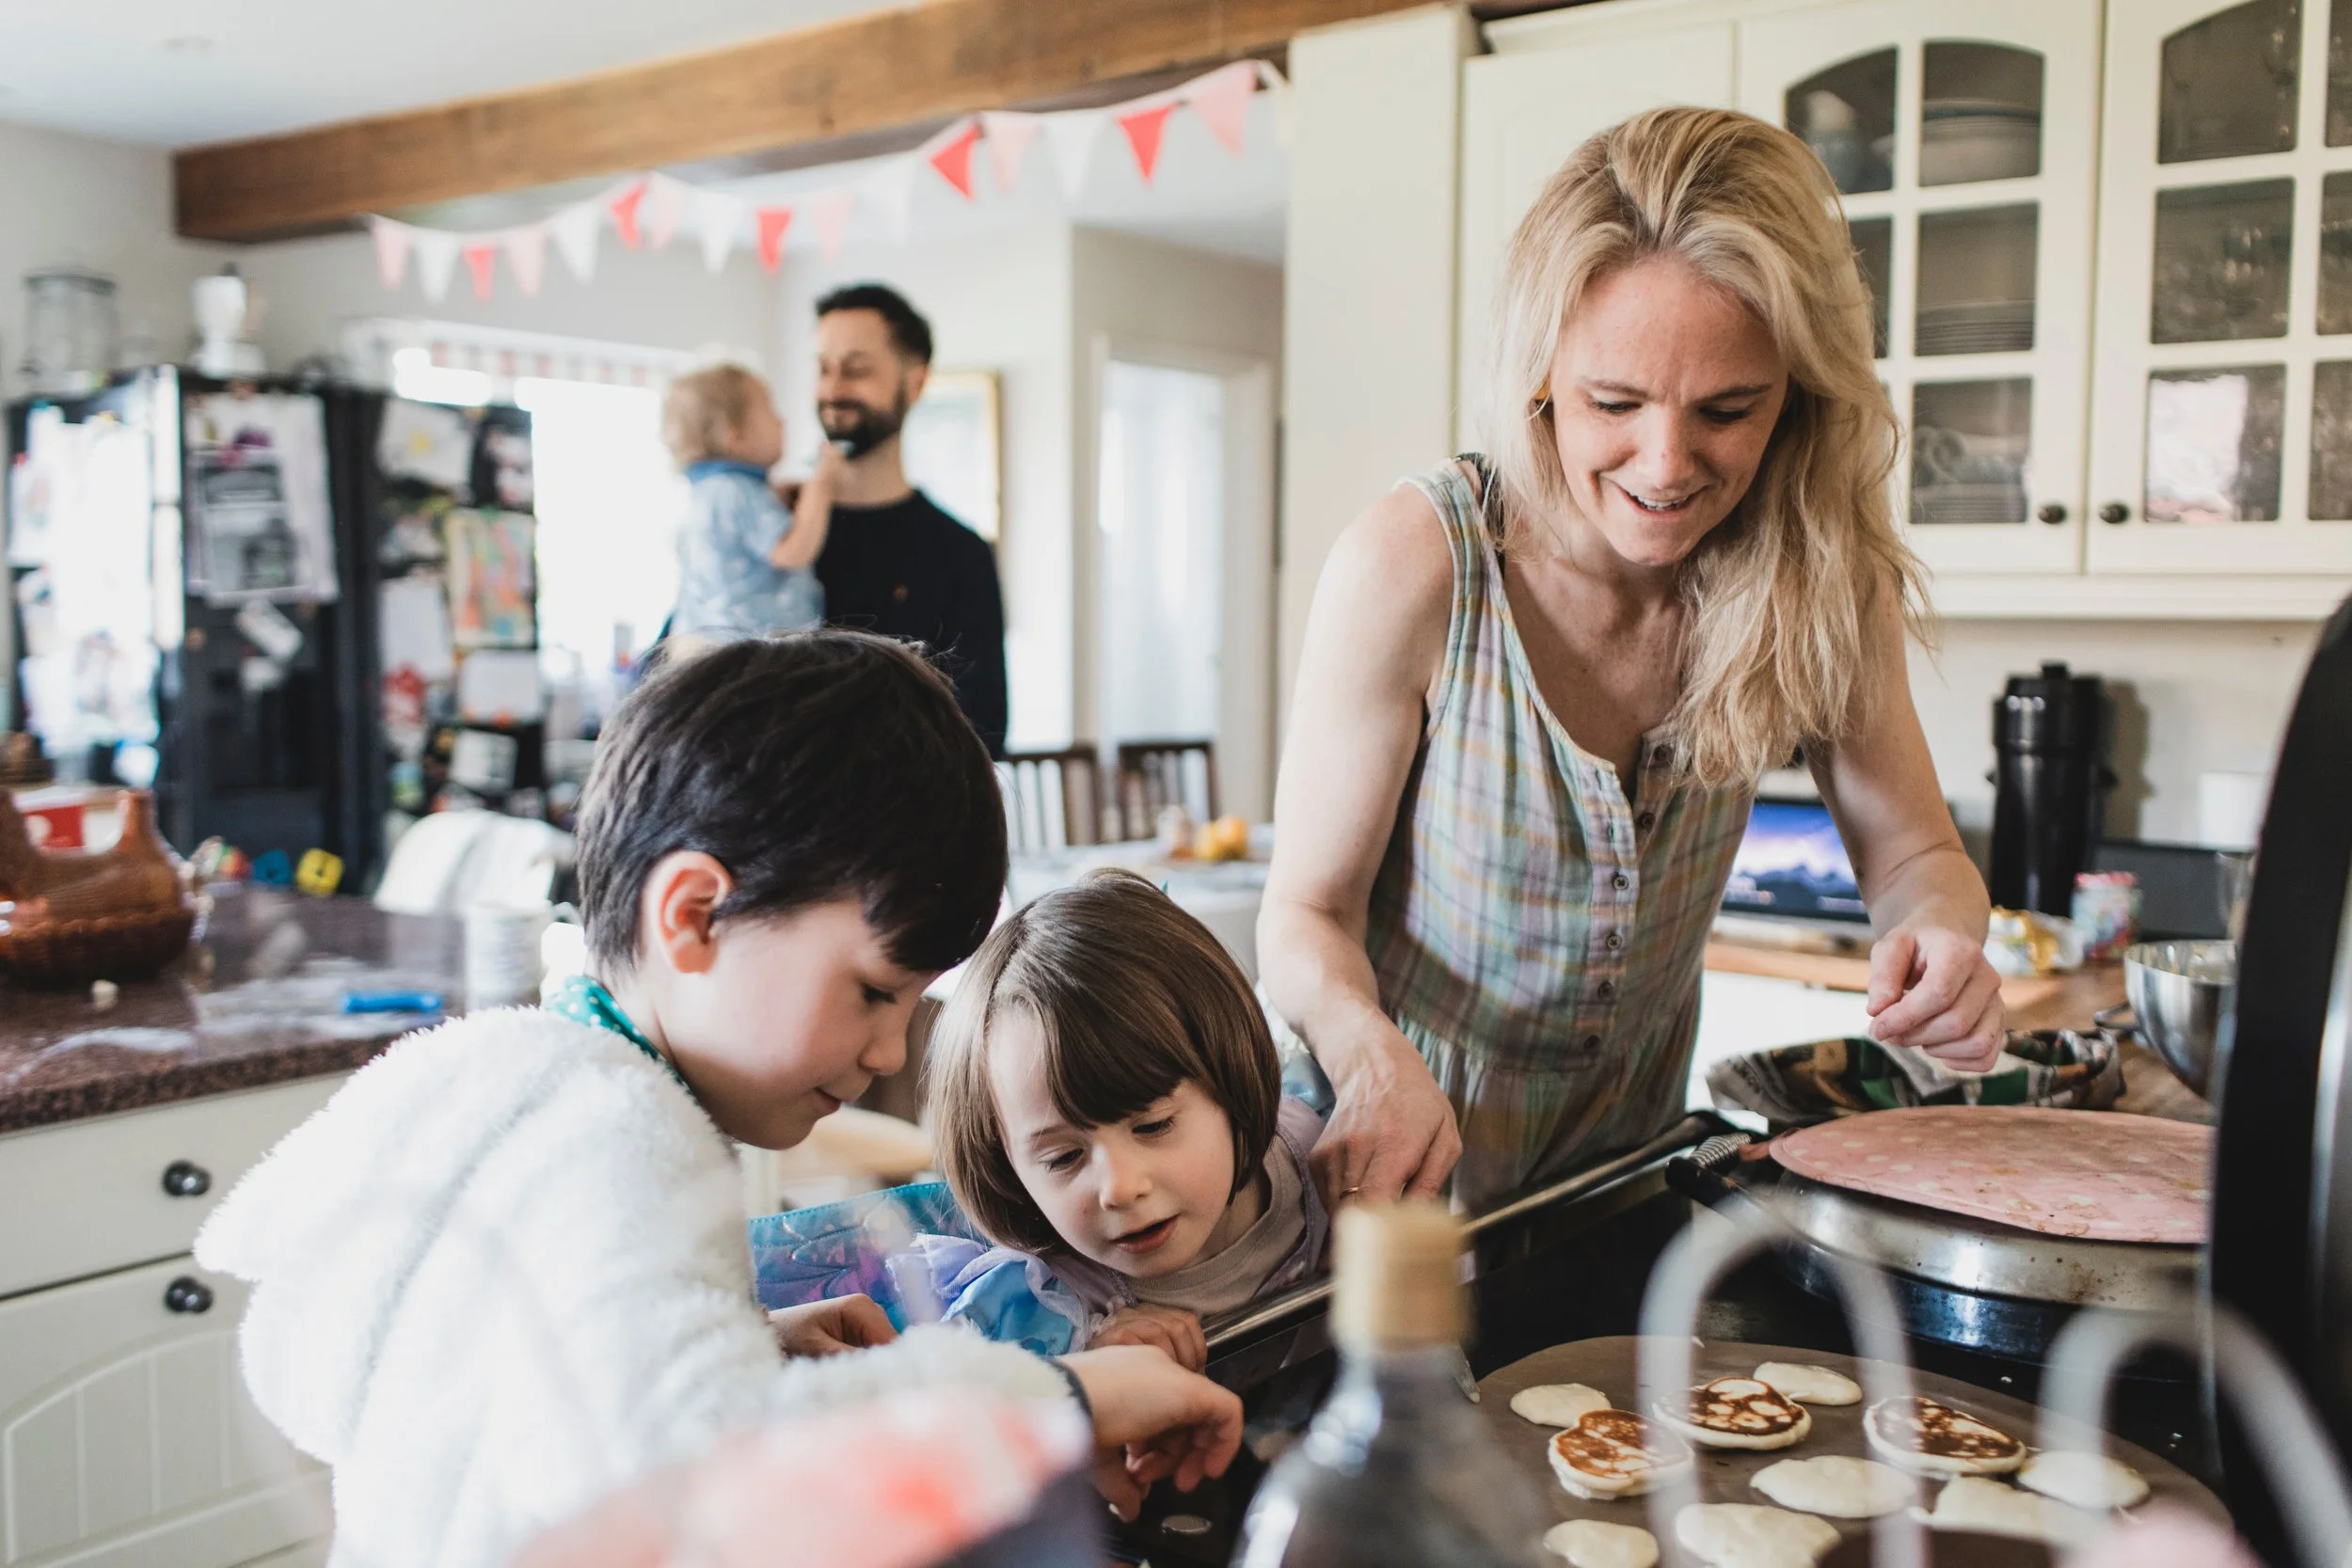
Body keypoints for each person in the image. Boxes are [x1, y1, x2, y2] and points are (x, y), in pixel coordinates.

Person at [194, 633, 1240, 1568]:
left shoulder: (509, 1075)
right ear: (696, 913)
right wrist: (1062, 1403)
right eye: (875, 990)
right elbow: (713, 1489)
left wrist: (742, 1339)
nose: (887, 1050)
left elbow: (329, 1367)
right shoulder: (617, 1141)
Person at [1258, 106, 2009, 1214]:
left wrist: (1941, 936)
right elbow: (1304, 912)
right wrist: (1370, 1057)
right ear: (1541, 377)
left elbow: (1912, 858)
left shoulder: (1816, 572)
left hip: (1629, 1176)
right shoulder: (1417, 565)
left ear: (1797, 398)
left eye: (1727, 408)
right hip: (1382, 1172)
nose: (1666, 464)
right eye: (1614, 402)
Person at [916, 871, 1330, 1369]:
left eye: (1153, 1126)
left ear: (1230, 1082)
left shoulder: (1328, 1165)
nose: (1120, 1188)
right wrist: (1091, 1372)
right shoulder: (1044, 1303)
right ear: (1006, 1170)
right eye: (1063, 1157)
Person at [809, 283, 1009, 756]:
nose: (834, 389)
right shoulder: (769, 529)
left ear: (915, 383)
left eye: (856, 370)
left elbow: (985, 730)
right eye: (823, 368)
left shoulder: (959, 553)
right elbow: (671, 666)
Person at [662, 361, 842, 644]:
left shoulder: (710, 491)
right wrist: (821, 486)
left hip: (706, 640)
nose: (782, 421)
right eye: (770, 410)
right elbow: (793, 551)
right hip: (751, 648)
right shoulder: (738, 492)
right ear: (737, 436)